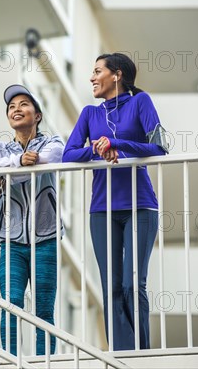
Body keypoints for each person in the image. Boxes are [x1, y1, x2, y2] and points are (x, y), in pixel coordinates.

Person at [62, 53, 168, 350]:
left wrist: (117, 143)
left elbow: (160, 146)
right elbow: (68, 154)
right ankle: (123, 356)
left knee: (133, 285)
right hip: (102, 210)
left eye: (98, 71)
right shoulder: (89, 114)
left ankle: (142, 354)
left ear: (117, 75)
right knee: (111, 288)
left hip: (141, 205)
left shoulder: (140, 102)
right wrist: (98, 150)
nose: (92, 78)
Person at [0, 84, 64, 355]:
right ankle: (11, 360)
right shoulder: (0, 148)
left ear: (37, 115)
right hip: (11, 242)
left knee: (43, 308)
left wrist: (12, 171)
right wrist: (16, 163)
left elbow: (55, 157)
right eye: (12, 107)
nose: (16, 109)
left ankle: (43, 360)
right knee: (11, 303)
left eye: (24, 104)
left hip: (45, 238)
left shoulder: (51, 142)